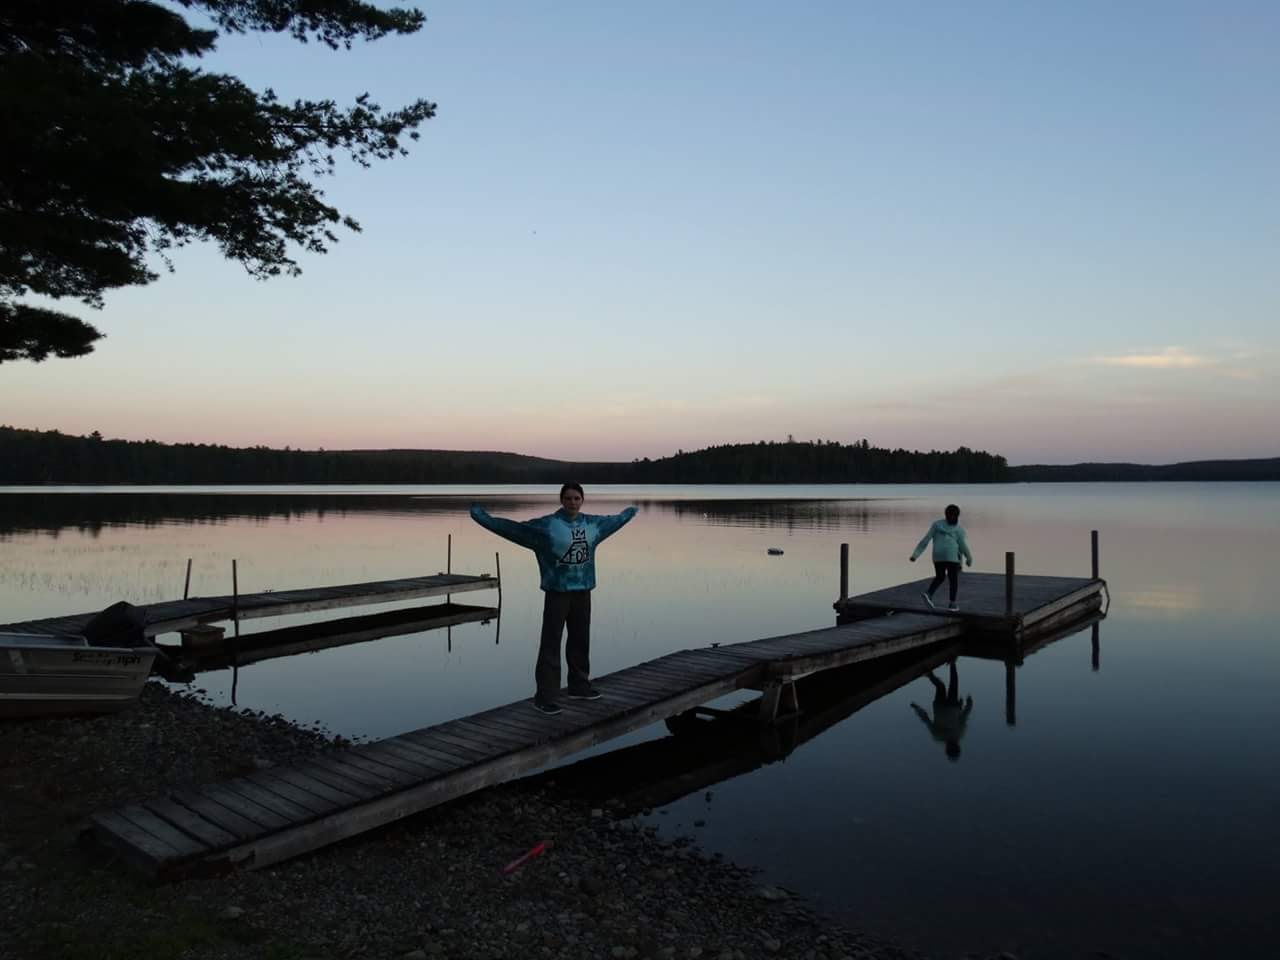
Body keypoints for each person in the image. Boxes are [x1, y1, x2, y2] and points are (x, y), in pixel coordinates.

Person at [470, 484, 638, 716]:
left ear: (582, 500)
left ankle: (579, 685)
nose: (572, 502)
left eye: (577, 498)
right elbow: (511, 529)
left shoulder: (592, 525)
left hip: (583, 592)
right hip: (557, 593)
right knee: (551, 643)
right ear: (561, 500)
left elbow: (615, 521)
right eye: (568, 498)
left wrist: (630, 512)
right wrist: (481, 517)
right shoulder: (546, 527)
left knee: (580, 640)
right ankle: (545, 697)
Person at [909, 503, 972, 611]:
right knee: (953, 580)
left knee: (940, 577)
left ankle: (929, 594)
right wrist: (969, 558)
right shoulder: (958, 529)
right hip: (951, 556)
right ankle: (952, 604)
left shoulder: (936, 525)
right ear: (957, 516)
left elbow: (925, 540)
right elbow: (962, 546)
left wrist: (915, 555)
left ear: (945, 515)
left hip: (938, 556)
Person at [910, 658, 974, 762]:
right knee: (942, 686)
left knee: (945, 686)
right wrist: (916, 708)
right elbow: (926, 719)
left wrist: (969, 704)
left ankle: (946, 666)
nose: (952, 745)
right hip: (946, 706)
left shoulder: (953, 734)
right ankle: (932, 673)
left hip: (948, 706)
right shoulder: (940, 736)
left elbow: (926, 719)